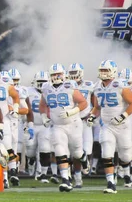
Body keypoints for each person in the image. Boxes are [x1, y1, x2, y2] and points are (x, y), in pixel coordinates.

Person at [39, 63, 89, 192]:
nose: (56, 77)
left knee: (76, 153)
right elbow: (43, 104)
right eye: (53, 75)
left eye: (58, 74)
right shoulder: (46, 88)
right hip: (58, 125)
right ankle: (66, 180)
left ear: (64, 75)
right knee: (60, 151)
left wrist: (72, 111)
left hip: (73, 124)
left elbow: (83, 102)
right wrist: (44, 116)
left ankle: (83, 157)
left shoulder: (70, 85)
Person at [87, 60, 132, 193]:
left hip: (123, 125)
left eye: (106, 70)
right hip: (107, 126)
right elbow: (97, 107)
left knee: (126, 155)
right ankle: (110, 183)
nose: (103, 73)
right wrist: (92, 116)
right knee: (106, 152)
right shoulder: (97, 87)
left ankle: (127, 173)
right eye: (102, 70)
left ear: (112, 71)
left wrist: (123, 116)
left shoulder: (120, 85)